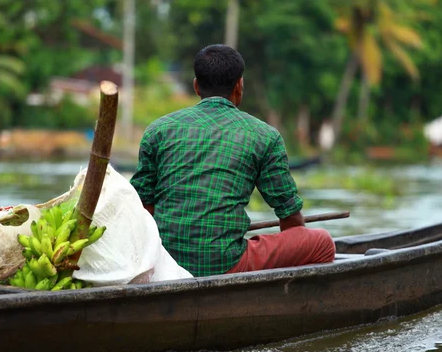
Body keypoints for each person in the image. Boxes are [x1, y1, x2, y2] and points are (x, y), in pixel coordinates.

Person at [130, 44, 335, 277]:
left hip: (164, 262)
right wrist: (296, 244)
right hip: (225, 264)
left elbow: (142, 208)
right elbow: (290, 216)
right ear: (239, 85)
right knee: (322, 242)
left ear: (196, 86)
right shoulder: (264, 136)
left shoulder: (158, 129)